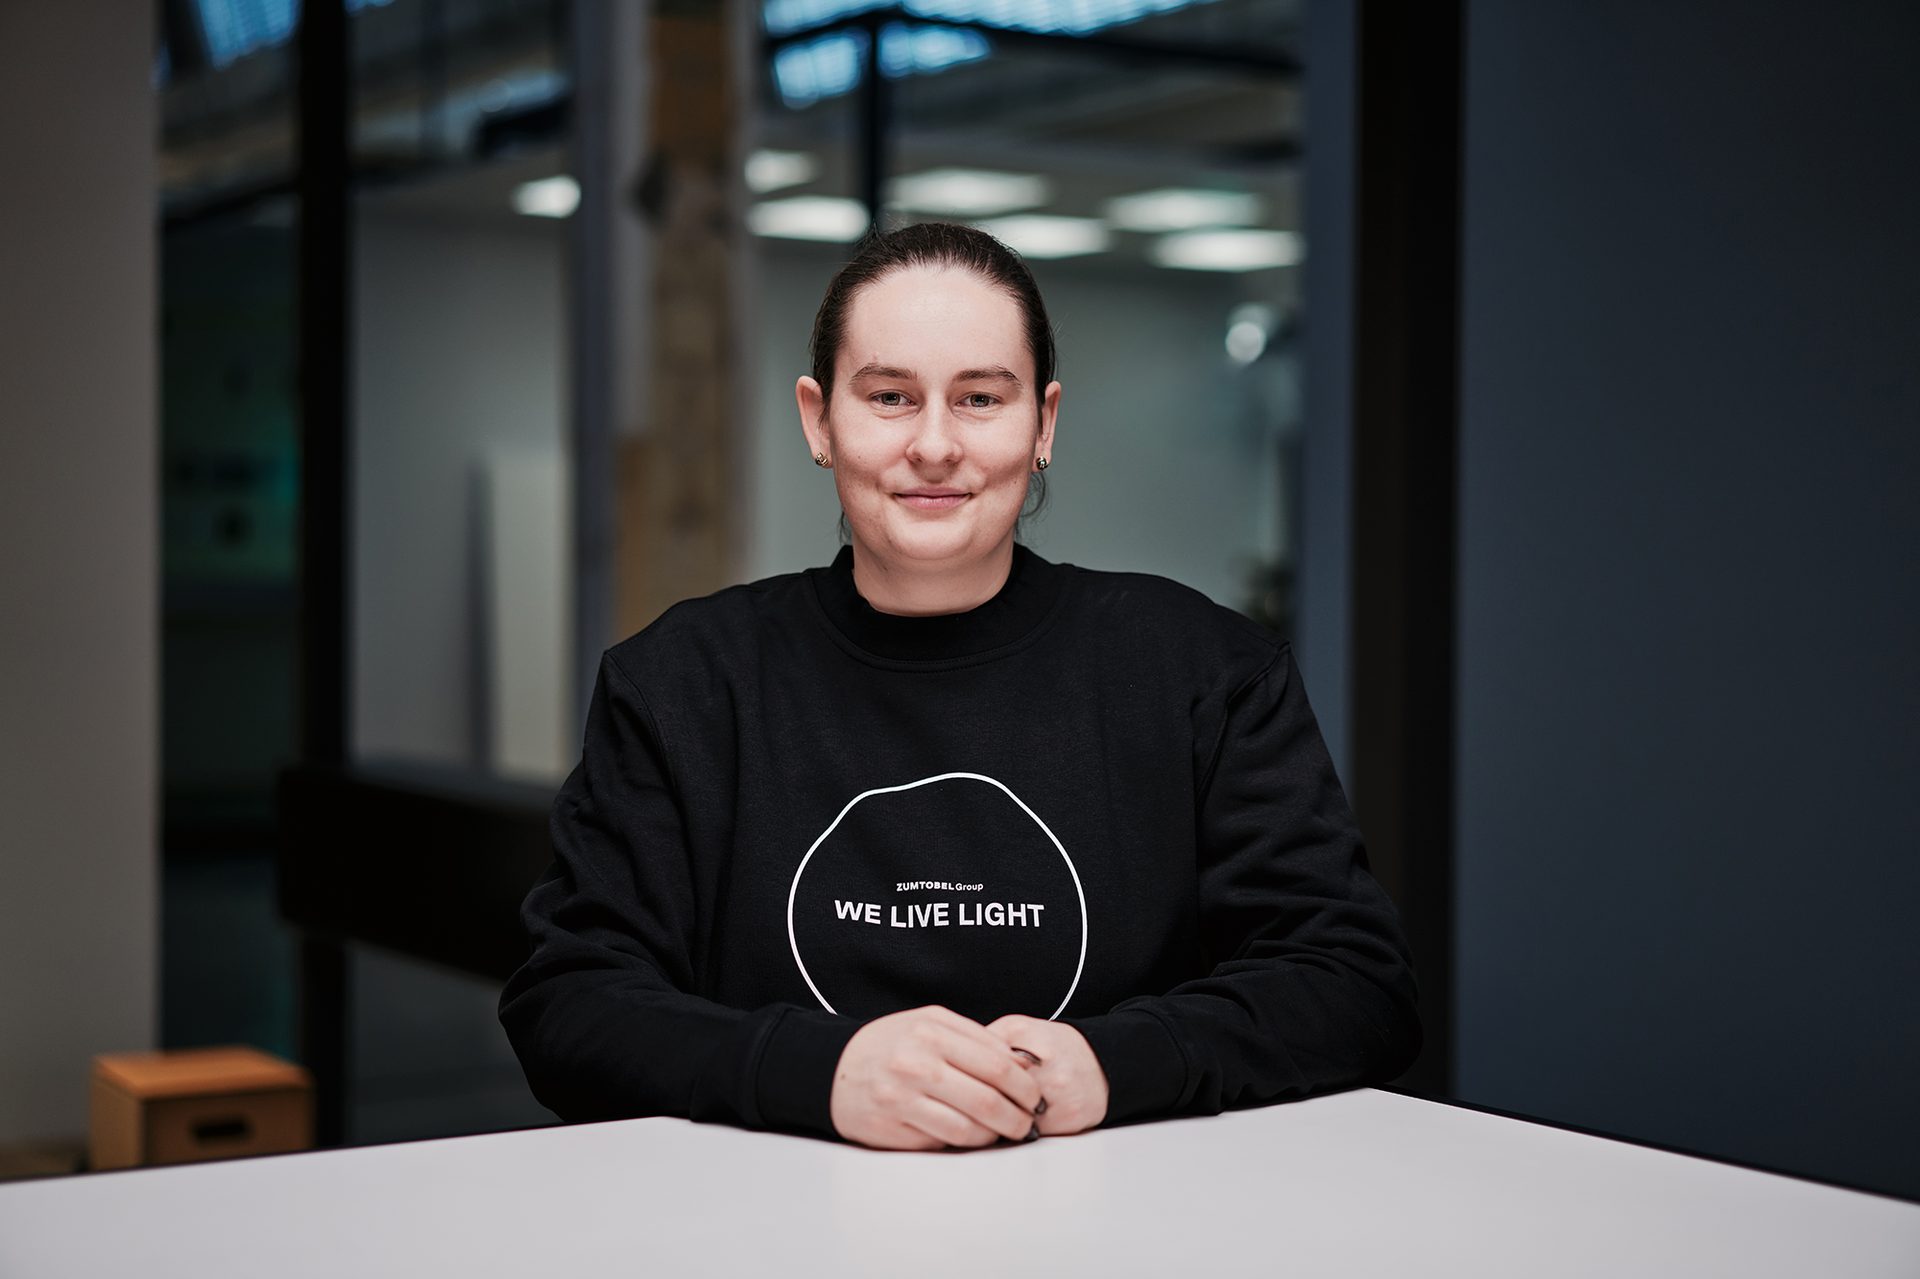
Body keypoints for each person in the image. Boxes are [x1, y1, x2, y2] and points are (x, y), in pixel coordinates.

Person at [498, 221, 1421, 1152]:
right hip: (771, 1217)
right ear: (820, 421)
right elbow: (569, 1003)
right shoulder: (684, 683)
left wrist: (1110, 1064)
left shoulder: (1203, 672)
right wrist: (823, 1074)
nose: (935, 445)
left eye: (980, 398)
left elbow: (1355, 981)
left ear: (1043, 424)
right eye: (890, 397)